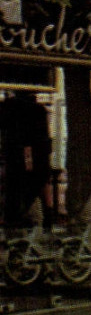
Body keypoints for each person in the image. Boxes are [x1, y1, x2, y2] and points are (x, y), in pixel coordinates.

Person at [0, 92, 51, 230]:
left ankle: (18, 224)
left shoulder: (10, 107)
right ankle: (36, 223)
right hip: (33, 160)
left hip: (17, 158)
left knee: (16, 194)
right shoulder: (38, 110)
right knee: (31, 193)